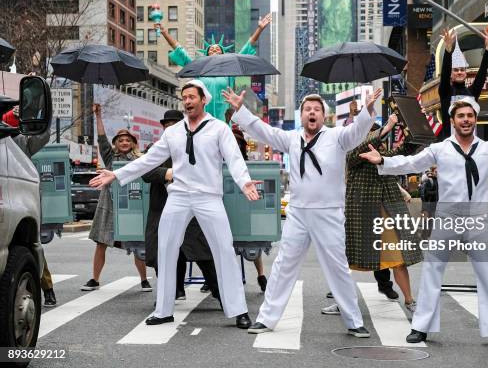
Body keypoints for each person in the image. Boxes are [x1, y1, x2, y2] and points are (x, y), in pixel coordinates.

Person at [359, 98, 488, 348]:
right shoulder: (440, 149)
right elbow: (412, 163)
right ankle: (421, 327)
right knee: (432, 273)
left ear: (475, 119)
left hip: (478, 220)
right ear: (453, 120)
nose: (466, 120)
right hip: (447, 219)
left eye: (470, 115)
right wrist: (383, 161)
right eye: (461, 115)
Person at [90, 80, 260, 328]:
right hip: (178, 196)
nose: (188, 101)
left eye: (192, 97)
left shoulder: (219, 129)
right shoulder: (173, 132)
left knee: (224, 249)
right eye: (184, 97)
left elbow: (234, 159)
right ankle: (163, 310)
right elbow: (149, 160)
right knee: (166, 250)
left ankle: (238, 310)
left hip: (208, 196)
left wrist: (244, 182)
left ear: (204, 100)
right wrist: (116, 175)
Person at [223, 87, 382, 338]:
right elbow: (263, 131)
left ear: (323, 116)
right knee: (283, 265)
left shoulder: (337, 137)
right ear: (302, 115)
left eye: (316, 110)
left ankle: (353, 321)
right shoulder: (291, 138)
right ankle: (266, 318)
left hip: (329, 212)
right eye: (308, 109)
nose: (312, 112)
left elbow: (357, 131)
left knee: (338, 267)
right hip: (297, 212)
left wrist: (368, 110)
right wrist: (240, 110)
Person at [340, 113, 422, 318]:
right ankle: (341, 300)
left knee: (398, 259)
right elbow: (359, 150)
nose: (371, 138)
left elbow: (404, 153)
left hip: (388, 210)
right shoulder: (352, 150)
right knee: (345, 260)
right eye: (368, 134)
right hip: (363, 211)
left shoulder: (383, 154)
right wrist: (385, 129)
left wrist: (411, 132)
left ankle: (410, 301)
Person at [142, 109, 221, 305]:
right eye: (166, 125)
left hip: (194, 211)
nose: (170, 128)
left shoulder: (198, 144)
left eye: (174, 124)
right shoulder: (156, 147)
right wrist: (169, 173)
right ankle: (169, 294)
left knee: (204, 255)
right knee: (164, 256)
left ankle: (223, 295)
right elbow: (146, 171)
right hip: (162, 209)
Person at [81, 104, 150, 292]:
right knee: (100, 243)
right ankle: (95, 279)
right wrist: (98, 116)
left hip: (132, 206)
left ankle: (144, 280)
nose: (125, 142)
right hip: (110, 206)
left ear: (133, 143)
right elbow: (102, 139)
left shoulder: (141, 160)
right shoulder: (111, 158)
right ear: (116, 144)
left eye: (128, 140)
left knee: (137, 244)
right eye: (121, 140)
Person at [156, 13, 272, 120]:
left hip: (224, 117)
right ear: (207, 55)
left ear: (223, 54)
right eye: (212, 50)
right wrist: (165, 33)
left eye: (218, 49)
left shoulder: (229, 72)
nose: (215, 50)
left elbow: (246, 48)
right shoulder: (199, 71)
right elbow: (180, 51)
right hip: (203, 116)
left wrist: (260, 29)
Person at [5, 107, 57, 307]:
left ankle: (47, 288)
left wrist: (40, 111)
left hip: (19, 200)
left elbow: (43, 134)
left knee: (29, 248)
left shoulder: (20, 142)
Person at [224, 108, 268, 292]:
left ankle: (261, 274)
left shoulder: (243, 134)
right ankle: (222, 277)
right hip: (225, 202)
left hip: (243, 200)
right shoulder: (222, 132)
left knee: (251, 239)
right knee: (225, 242)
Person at [438, 27, 488, 139]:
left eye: (462, 70)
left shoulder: (472, 92)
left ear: (466, 73)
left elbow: (482, 74)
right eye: (456, 70)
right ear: (451, 74)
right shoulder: (446, 91)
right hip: (449, 147)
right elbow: (444, 73)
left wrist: (487, 49)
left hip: (470, 146)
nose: (459, 72)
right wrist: (448, 50)